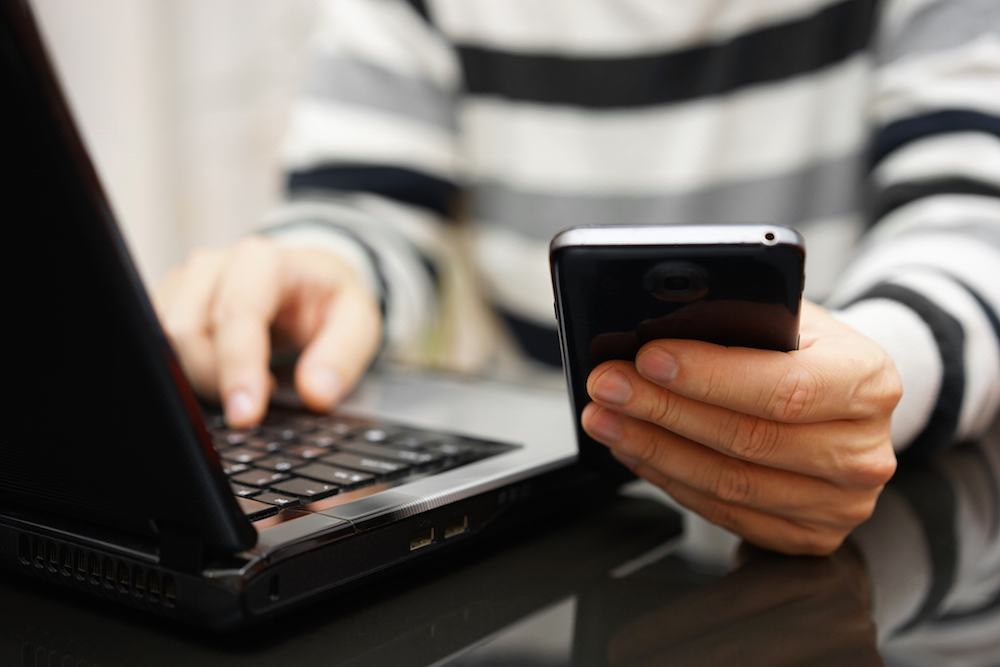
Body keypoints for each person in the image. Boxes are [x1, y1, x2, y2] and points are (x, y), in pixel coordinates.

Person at [153, 0, 1000, 556]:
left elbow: (973, 218)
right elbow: (361, 205)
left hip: (870, 509)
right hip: (565, 512)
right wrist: (316, 269)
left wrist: (880, 379)